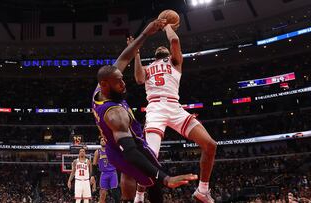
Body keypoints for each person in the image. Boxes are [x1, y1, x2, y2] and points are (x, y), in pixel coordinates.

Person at [92, 18, 198, 203]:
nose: (124, 84)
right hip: (123, 149)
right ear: (106, 84)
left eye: (122, 79)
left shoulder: (101, 89)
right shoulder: (115, 114)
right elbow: (131, 153)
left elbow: (125, 57)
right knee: (153, 178)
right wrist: (167, 178)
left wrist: (145, 34)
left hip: (119, 144)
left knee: (150, 179)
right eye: (119, 83)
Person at [131, 23, 217, 203]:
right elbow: (139, 79)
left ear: (169, 52)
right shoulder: (147, 68)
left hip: (175, 107)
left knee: (210, 145)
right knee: (150, 158)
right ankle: (138, 197)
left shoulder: (175, 61)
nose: (161, 46)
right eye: (159, 47)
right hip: (155, 109)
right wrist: (136, 53)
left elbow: (175, 40)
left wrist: (167, 25)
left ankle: (202, 190)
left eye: (164, 46)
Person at [91, 137, 120, 203]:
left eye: (104, 140)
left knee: (115, 192)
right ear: (100, 142)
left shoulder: (112, 150)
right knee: (102, 194)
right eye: (102, 140)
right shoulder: (97, 152)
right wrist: (92, 175)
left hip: (113, 173)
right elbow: (94, 164)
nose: (103, 141)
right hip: (104, 173)